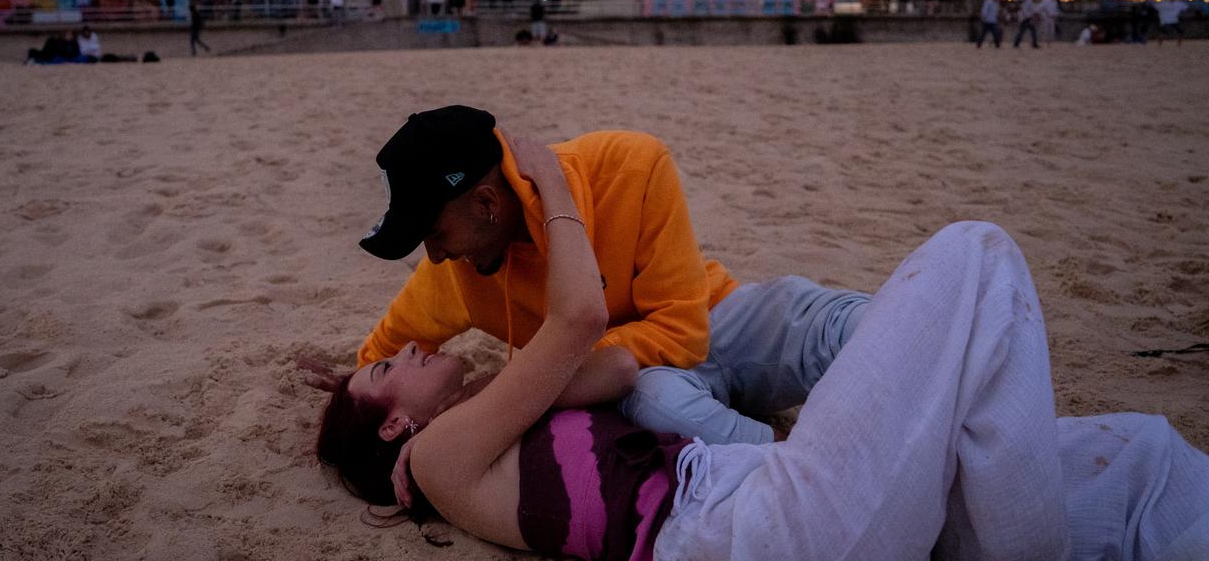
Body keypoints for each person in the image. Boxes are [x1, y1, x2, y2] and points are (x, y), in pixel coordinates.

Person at [310, 137, 1209, 559]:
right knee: (974, 256)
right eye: (387, 376)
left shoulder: (484, 421)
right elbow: (583, 322)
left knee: (1141, 458)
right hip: (745, 529)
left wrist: (526, 373)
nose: (403, 352)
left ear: (479, 202)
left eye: (385, 360)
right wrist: (548, 182)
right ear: (396, 431)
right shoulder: (437, 457)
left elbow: (624, 363)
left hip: (754, 500)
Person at [355, 106, 869, 448]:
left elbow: (683, 331)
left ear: (486, 203)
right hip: (647, 382)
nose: (434, 254)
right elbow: (383, 356)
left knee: (849, 323)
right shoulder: (460, 265)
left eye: (434, 233)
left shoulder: (629, 165)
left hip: (720, 318)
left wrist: (530, 376)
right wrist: (347, 390)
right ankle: (791, 460)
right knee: (659, 404)